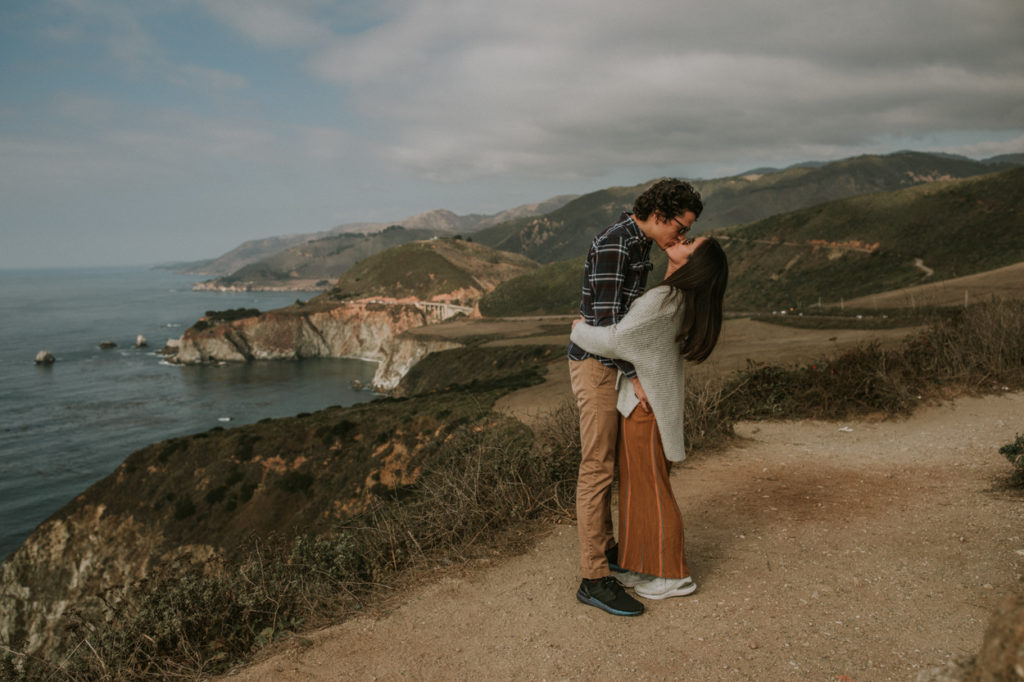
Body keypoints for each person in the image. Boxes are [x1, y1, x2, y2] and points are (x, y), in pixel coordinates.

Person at [567, 179, 705, 617]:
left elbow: (629, 323)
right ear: (661, 214)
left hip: (613, 362)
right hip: (597, 366)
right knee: (597, 467)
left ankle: (608, 553)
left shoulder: (640, 244)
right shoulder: (617, 245)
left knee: (606, 466)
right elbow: (607, 329)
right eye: (680, 228)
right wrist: (637, 373)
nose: (680, 238)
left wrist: (635, 368)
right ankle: (593, 579)